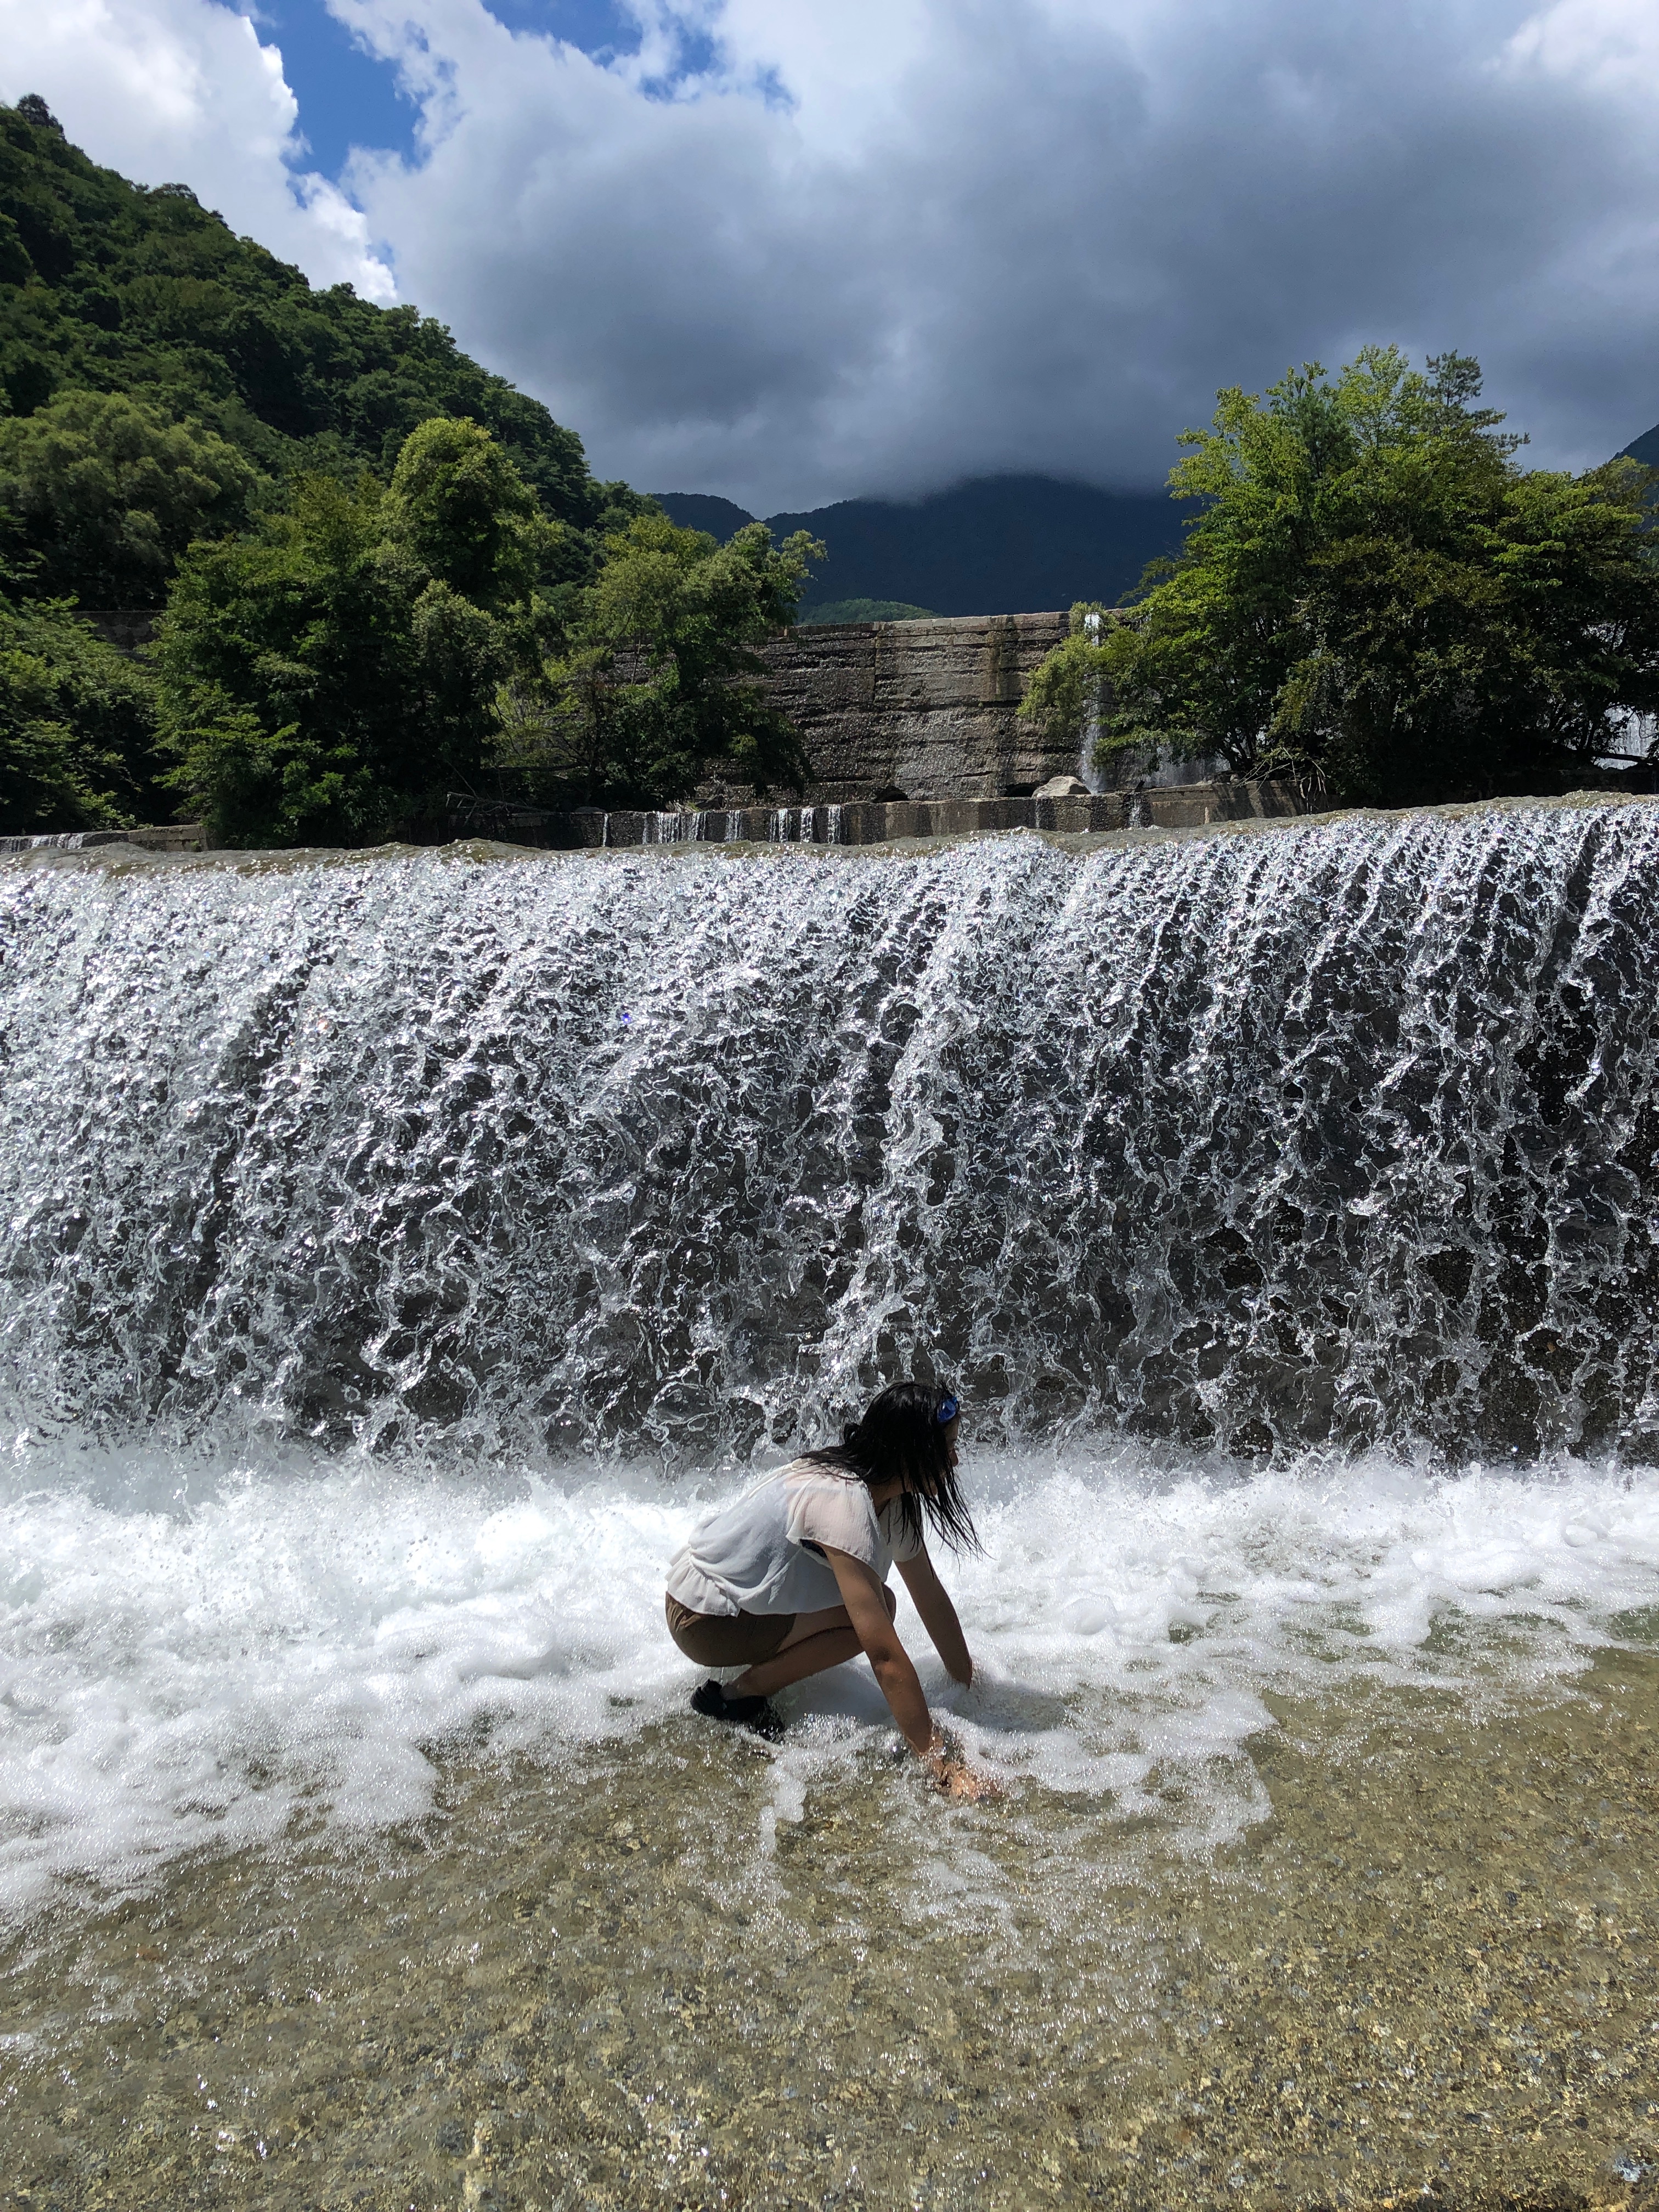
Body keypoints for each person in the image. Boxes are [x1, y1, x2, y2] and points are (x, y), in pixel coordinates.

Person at [664, 1379, 995, 1798]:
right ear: (912, 1450)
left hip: (718, 1604)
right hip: (702, 1620)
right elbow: (883, 1654)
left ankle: (749, 1685)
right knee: (877, 1612)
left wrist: (968, 1685)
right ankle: (739, 1697)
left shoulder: (890, 1497)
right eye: (947, 1447)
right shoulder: (845, 1503)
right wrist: (940, 1766)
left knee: (881, 1603)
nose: (956, 1459)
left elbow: (929, 1594)